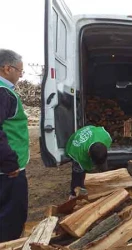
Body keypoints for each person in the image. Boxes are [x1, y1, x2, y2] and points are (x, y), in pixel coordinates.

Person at [0, 49, 29, 242]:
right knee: (11, 217)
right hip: (9, 170)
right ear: (6, 68)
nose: (20, 75)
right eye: (19, 71)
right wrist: (10, 162)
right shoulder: (3, 93)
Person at [66, 125, 112, 199]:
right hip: (76, 145)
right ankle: (74, 194)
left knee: (103, 168)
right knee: (78, 172)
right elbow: (87, 167)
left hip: (94, 132)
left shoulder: (106, 138)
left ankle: (105, 186)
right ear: (89, 155)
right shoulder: (79, 153)